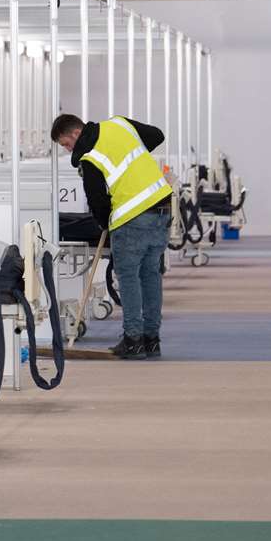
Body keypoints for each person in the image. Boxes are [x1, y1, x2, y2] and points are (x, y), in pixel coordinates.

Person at [51, 113, 171, 359]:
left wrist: (105, 223)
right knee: (150, 275)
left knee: (128, 278)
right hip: (162, 207)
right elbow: (157, 135)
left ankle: (133, 340)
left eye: (65, 144)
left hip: (132, 216)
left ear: (75, 133)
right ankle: (151, 339)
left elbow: (97, 200)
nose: (67, 149)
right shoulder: (119, 124)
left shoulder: (89, 157)